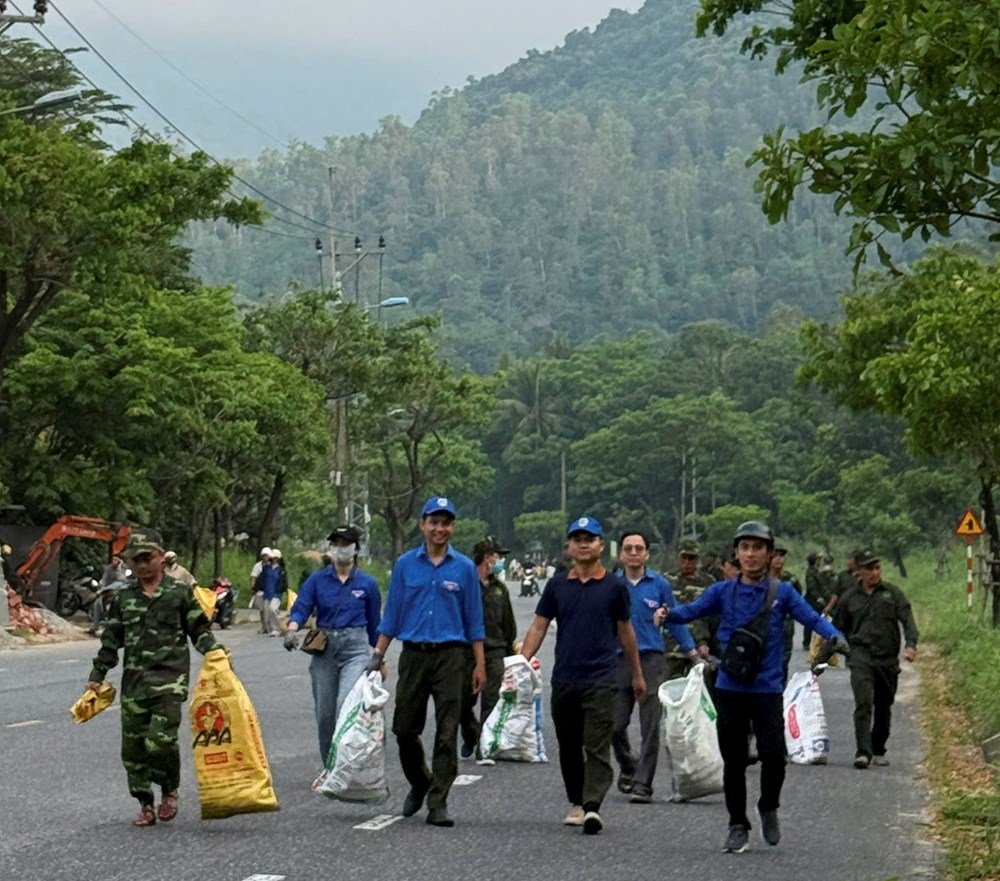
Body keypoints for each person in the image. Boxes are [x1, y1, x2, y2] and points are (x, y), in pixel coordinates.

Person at [664, 520, 846, 853]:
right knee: (733, 761)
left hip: (767, 690)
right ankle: (737, 824)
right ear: (737, 552)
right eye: (744, 548)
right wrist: (667, 614)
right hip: (730, 687)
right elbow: (692, 610)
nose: (750, 554)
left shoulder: (783, 593)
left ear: (768, 553)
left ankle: (768, 806)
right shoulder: (723, 590)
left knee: (774, 757)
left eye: (757, 548)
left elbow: (812, 618)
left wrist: (836, 636)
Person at [519, 516, 646, 836]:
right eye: (577, 539)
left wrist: (636, 673)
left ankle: (592, 806)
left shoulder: (614, 587)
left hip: (602, 679)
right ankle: (576, 800)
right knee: (569, 744)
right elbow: (539, 625)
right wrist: (521, 663)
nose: (583, 543)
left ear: (601, 546)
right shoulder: (558, 584)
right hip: (565, 678)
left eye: (590, 538)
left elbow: (626, 631)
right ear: (569, 547)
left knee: (597, 744)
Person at [85, 540, 222, 827]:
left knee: (160, 741)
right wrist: (96, 677)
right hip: (135, 684)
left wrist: (215, 654)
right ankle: (145, 803)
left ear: (161, 557)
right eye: (135, 561)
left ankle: (169, 790)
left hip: (170, 681)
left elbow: (199, 631)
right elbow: (110, 642)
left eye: (147, 558)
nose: (141, 565)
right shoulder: (124, 598)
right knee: (133, 749)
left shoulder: (179, 593)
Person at [367, 496, 485, 828]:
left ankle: (438, 802)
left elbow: (474, 620)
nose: (440, 529)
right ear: (422, 525)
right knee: (404, 728)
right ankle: (421, 781)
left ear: (452, 527)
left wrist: (479, 666)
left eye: (446, 522)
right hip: (414, 655)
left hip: (451, 656)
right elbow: (392, 615)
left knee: (447, 731)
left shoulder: (463, 568)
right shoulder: (406, 564)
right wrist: (378, 654)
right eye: (434, 522)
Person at [284, 525, 382, 761]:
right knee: (325, 713)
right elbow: (302, 607)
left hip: (355, 649)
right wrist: (292, 629)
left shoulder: (367, 584)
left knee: (345, 704)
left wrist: (380, 655)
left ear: (355, 549)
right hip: (325, 647)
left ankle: (346, 760)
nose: (340, 549)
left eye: (345, 544)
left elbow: (374, 624)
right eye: (336, 544)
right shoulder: (317, 580)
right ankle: (329, 762)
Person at [613, 530, 696, 804]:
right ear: (621, 554)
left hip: (651, 660)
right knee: (615, 724)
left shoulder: (659, 585)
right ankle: (628, 764)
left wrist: (692, 651)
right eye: (629, 548)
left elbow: (674, 619)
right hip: (617, 659)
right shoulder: (611, 584)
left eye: (639, 548)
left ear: (647, 553)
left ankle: (643, 785)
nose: (634, 553)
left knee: (650, 726)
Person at [831, 549, 918, 770]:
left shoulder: (892, 593)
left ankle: (878, 748)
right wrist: (828, 655)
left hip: (887, 659)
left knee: (884, 705)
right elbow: (836, 629)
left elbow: (907, 619)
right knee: (863, 703)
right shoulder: (848, 598)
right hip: (861, 657)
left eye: (877, 567)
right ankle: (863, 752)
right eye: (869, 568)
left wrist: (910, 645)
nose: (875, 572)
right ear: (858, 572)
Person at [459, 536, 517, 765]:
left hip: (495, 651)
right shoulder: (465, 584)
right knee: (462, 701)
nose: (501, 560)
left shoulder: (499, 589)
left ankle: (485, 746)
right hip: (466, 652)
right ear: (487, 557)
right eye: (498, 556)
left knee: (491, 701)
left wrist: (511, 652)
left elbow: (508, 623)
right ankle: (471, 734)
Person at [667, 539, 717, 664]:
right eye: (684, 557)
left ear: (697, 559)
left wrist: (704, 642)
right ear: (678, 557)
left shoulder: (708, 582)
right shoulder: (666, 580)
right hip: (669, 646)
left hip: (699, 646)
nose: (687, 562)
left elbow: (711, 617)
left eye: (692, 558)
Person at [768, 543, 803, 686]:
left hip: (785, 627)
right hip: (765, 627)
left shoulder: (790, 579)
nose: (779, 559)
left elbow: (797, 600)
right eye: (775, 555)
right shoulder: (759, 578)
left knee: (782, 664)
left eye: (781, 556)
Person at [254, 549, 281, 636]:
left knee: (272, 609)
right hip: (267, 593)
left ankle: (276, 629)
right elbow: (261, 579)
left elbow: (283, 582)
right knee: (266, 613)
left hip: (276, 594)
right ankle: (268, 628)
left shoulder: (280, 570)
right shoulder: (266, 568)